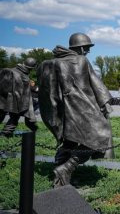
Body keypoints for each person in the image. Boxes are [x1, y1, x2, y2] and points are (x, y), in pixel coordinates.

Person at [37, 33, 113, 187]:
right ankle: (66, 168)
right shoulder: (81, 60)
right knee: (99, 137)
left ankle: (60, 178)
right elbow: (95, 82)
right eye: (87, 48)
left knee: (70, 142)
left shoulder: (51, 63)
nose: (88, 51)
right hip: (83, 108)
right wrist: (105, 103)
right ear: (81, 47)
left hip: (63, 111)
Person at [0, 57, 38, 137]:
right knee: (14, 117)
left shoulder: (10, 70)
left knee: (3, 115)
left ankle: (6, 133)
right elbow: (25, 92)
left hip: (3, 98)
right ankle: (6, 133)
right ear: (31, 68)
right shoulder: (24, 76)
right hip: (15, 100)